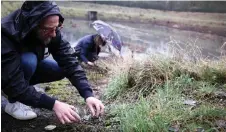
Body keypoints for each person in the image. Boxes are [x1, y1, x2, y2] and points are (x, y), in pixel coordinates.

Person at [1, 1, 104, 124]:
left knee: (60, 69)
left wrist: (88, 94)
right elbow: (15, 83)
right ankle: (12, 102)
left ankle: (27, 90)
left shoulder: (51, 30)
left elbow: (69, 61)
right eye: (49, 29)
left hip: (20, 66)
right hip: (5, 69)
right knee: (29, 62)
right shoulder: (5, 33)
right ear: (33, 25)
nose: (54, 34)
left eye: (57, 28)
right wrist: (54, 104)